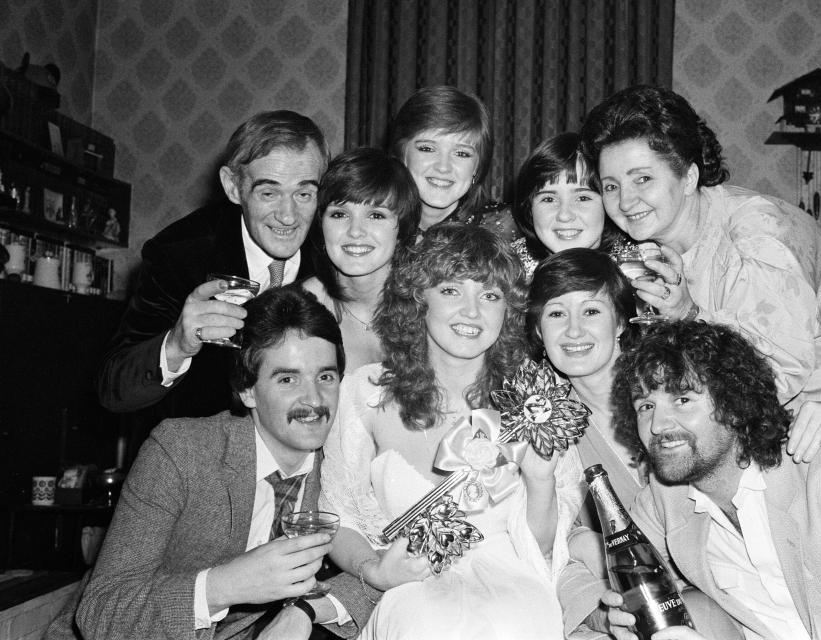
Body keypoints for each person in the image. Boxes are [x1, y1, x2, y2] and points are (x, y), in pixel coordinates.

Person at [580, 84, 821, 511]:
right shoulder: (660, 250)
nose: (626, 201)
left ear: (689, 177)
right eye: (610, 186)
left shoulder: (760, 230)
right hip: (785, 421)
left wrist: (686, 313)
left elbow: (773, 366)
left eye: (642, 178)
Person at [527, 248, 821, 638]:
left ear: (622, 321)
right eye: (557, 314)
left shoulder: (681, 375)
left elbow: (762, 428)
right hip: (668, 607)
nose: (574, 331)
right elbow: (555, 556)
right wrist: (597, 605)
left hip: (762, 582)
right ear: (539, 331)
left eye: (591, 311)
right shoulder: (544, 426)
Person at [50, 286, 377, 640]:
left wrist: (307, 610)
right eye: (287, 379)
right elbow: (102, 610)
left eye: (325, 377)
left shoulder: (345, 463)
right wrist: (225, 586)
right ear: (247, 390)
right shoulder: (181, 452)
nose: (314, 399)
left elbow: (385, 572)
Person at [599, 320, 821, 639]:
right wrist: (610, 619)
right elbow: (594, 579)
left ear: (734, 403)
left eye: (682, 399)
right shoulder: (663, 500)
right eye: (645, 406)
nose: (658, 425)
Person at [320, 224, 582, 639]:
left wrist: (539, 480)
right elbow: (336, 517)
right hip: (411, 598)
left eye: (490, 296)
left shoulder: (535, 403)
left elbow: (546, 548)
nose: (473, 312)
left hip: (517, 597)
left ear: (508, 311)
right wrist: (376, 571)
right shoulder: (364, 395)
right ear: (418, 298)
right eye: (451, 290)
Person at [98, 110, 329, 423]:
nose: (288, 215)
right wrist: (177, 343)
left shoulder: (334, 254)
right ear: (233, 187)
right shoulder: (180, 255)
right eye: (269, 193)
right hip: (207, 457)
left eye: (304, 193)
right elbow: (115, 390)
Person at [302, 147, 421, 373]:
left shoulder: (429, 306)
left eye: (376, 215)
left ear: (402, 229)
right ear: (321, 224)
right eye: (339, 214)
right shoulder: (298, 311)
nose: (355, 231)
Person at [387, 85, 516, 242]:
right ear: (402, 154)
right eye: (427, 148)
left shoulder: (506, 230)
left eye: (461, 153)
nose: (443, 167)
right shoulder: (373, 227)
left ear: (478, 165)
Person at [512, 132, 632, 277]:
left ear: (607, 205)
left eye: (582, 198)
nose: (564, 215)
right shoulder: (503, 273)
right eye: (549, 199)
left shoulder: (641, 270)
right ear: (529, 208)